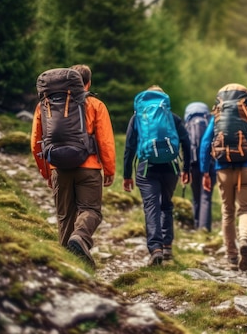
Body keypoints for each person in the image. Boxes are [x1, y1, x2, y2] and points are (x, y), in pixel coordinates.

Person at [30, 64, 116, 269]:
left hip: (58, 167)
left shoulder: (45, 104)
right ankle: (80, 237)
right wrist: (109, 169)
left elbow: (36, 142)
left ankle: (67, 267)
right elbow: (105, 141)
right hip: (89, 167)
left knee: (65, 217)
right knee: (91, 211)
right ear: (88, 83)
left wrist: (46, 171)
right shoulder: (96, 104)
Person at [199, 83, 247, 272]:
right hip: (246, 167)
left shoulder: (218, 116)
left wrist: (205, 171)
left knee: (227, 212)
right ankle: (245, 240)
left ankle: (231, 256)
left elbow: (205, 144)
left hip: (222, 169)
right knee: (244, 209)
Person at [123, 85, 191, 266]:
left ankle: (156, 249)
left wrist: (127, 175)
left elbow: (129, 147)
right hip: (170, 168)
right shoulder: (172, 118)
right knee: (166, 205)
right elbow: (186, 143)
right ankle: (167, 245)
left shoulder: (137, 117)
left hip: (147, 168)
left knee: (151, 206)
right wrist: (186, 169)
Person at [183, 102, 216, 232]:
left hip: (192, 165)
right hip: (209, 165)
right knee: (206, 197)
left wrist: (184, 169)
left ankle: (196, 224)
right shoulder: (209, 123)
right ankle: (204, 228)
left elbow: (184, 147)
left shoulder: (187, 125)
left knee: (195, 196)